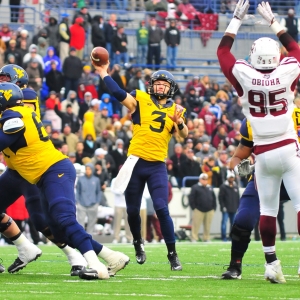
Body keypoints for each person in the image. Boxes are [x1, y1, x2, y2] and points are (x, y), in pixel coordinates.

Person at [0, 82, 129, 280]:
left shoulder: (13, 115)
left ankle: (95, 265)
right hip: (42, 176)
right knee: (58, 231)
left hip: (54, 170)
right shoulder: (14, 113)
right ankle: (111, 256)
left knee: (64, 219)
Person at [217, 0, 300, 283]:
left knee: (268, 212)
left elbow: (223, 51)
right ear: (276, 57)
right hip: (289, 149)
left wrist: (237, 19)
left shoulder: (244, 74)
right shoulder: (287, 70)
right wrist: (275, 22)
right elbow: (296, 50)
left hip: (264, 154)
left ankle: (271, 263)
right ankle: (237, 264)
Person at [94, 60, 188, 270]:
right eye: (158, 83)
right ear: (151, 85)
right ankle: (138, 243)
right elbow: (119, 93)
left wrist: (179, 122)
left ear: (171, 88)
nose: (161, 87)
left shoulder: (176, 109)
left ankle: (172, 254)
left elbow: (182, 136)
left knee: (162, 209)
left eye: (165, 84)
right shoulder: (140, 99)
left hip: (156, 165)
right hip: (135, 163)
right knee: (132, 211)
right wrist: (103, 72)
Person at [221, 117, 293, 280]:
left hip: (294, 177)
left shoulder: (295, 116)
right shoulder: (254, 121)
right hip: (264, 178)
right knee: (244, 219)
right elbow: (236, 158)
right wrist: (241, 169)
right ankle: (235, 265)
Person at [188, 173, 216, 242]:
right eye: (203, 179)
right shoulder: (195, 187)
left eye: (206, 179)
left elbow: (214, 198)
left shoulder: (210, 187)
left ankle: (206, 238)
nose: (205, 181)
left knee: (207, 226)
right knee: (196, 225)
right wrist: (194, 208)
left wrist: (214, 208)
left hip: (209, 210)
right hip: (199, 210)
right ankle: (194, 238)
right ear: (200, 179)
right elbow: (191, 198)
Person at [76, 163, 101, 234]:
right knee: (80, 223)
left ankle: (90, 238)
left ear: (92, 170)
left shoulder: (96, 180)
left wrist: (97, 202)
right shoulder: (81, 179)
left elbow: (98, 191)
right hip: (82, 204)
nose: (87, 171)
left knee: (91, 223)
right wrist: (78, 202)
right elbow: (78, 191)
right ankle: (81, 238)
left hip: (93, 204)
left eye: (89, 169)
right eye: (86, 169)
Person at [218, 170, 240, 242]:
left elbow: (237, 198)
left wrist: (238, 207)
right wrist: (223, 206)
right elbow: (220, 198)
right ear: (227, 178)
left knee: (233, 224)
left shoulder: (236, 187)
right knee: (224, 223)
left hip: (233, 208)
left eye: (232, 177)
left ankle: (232, 237)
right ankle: (223, 237)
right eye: (230, 177)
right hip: (226, 208)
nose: (231, 179)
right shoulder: (223, 187)